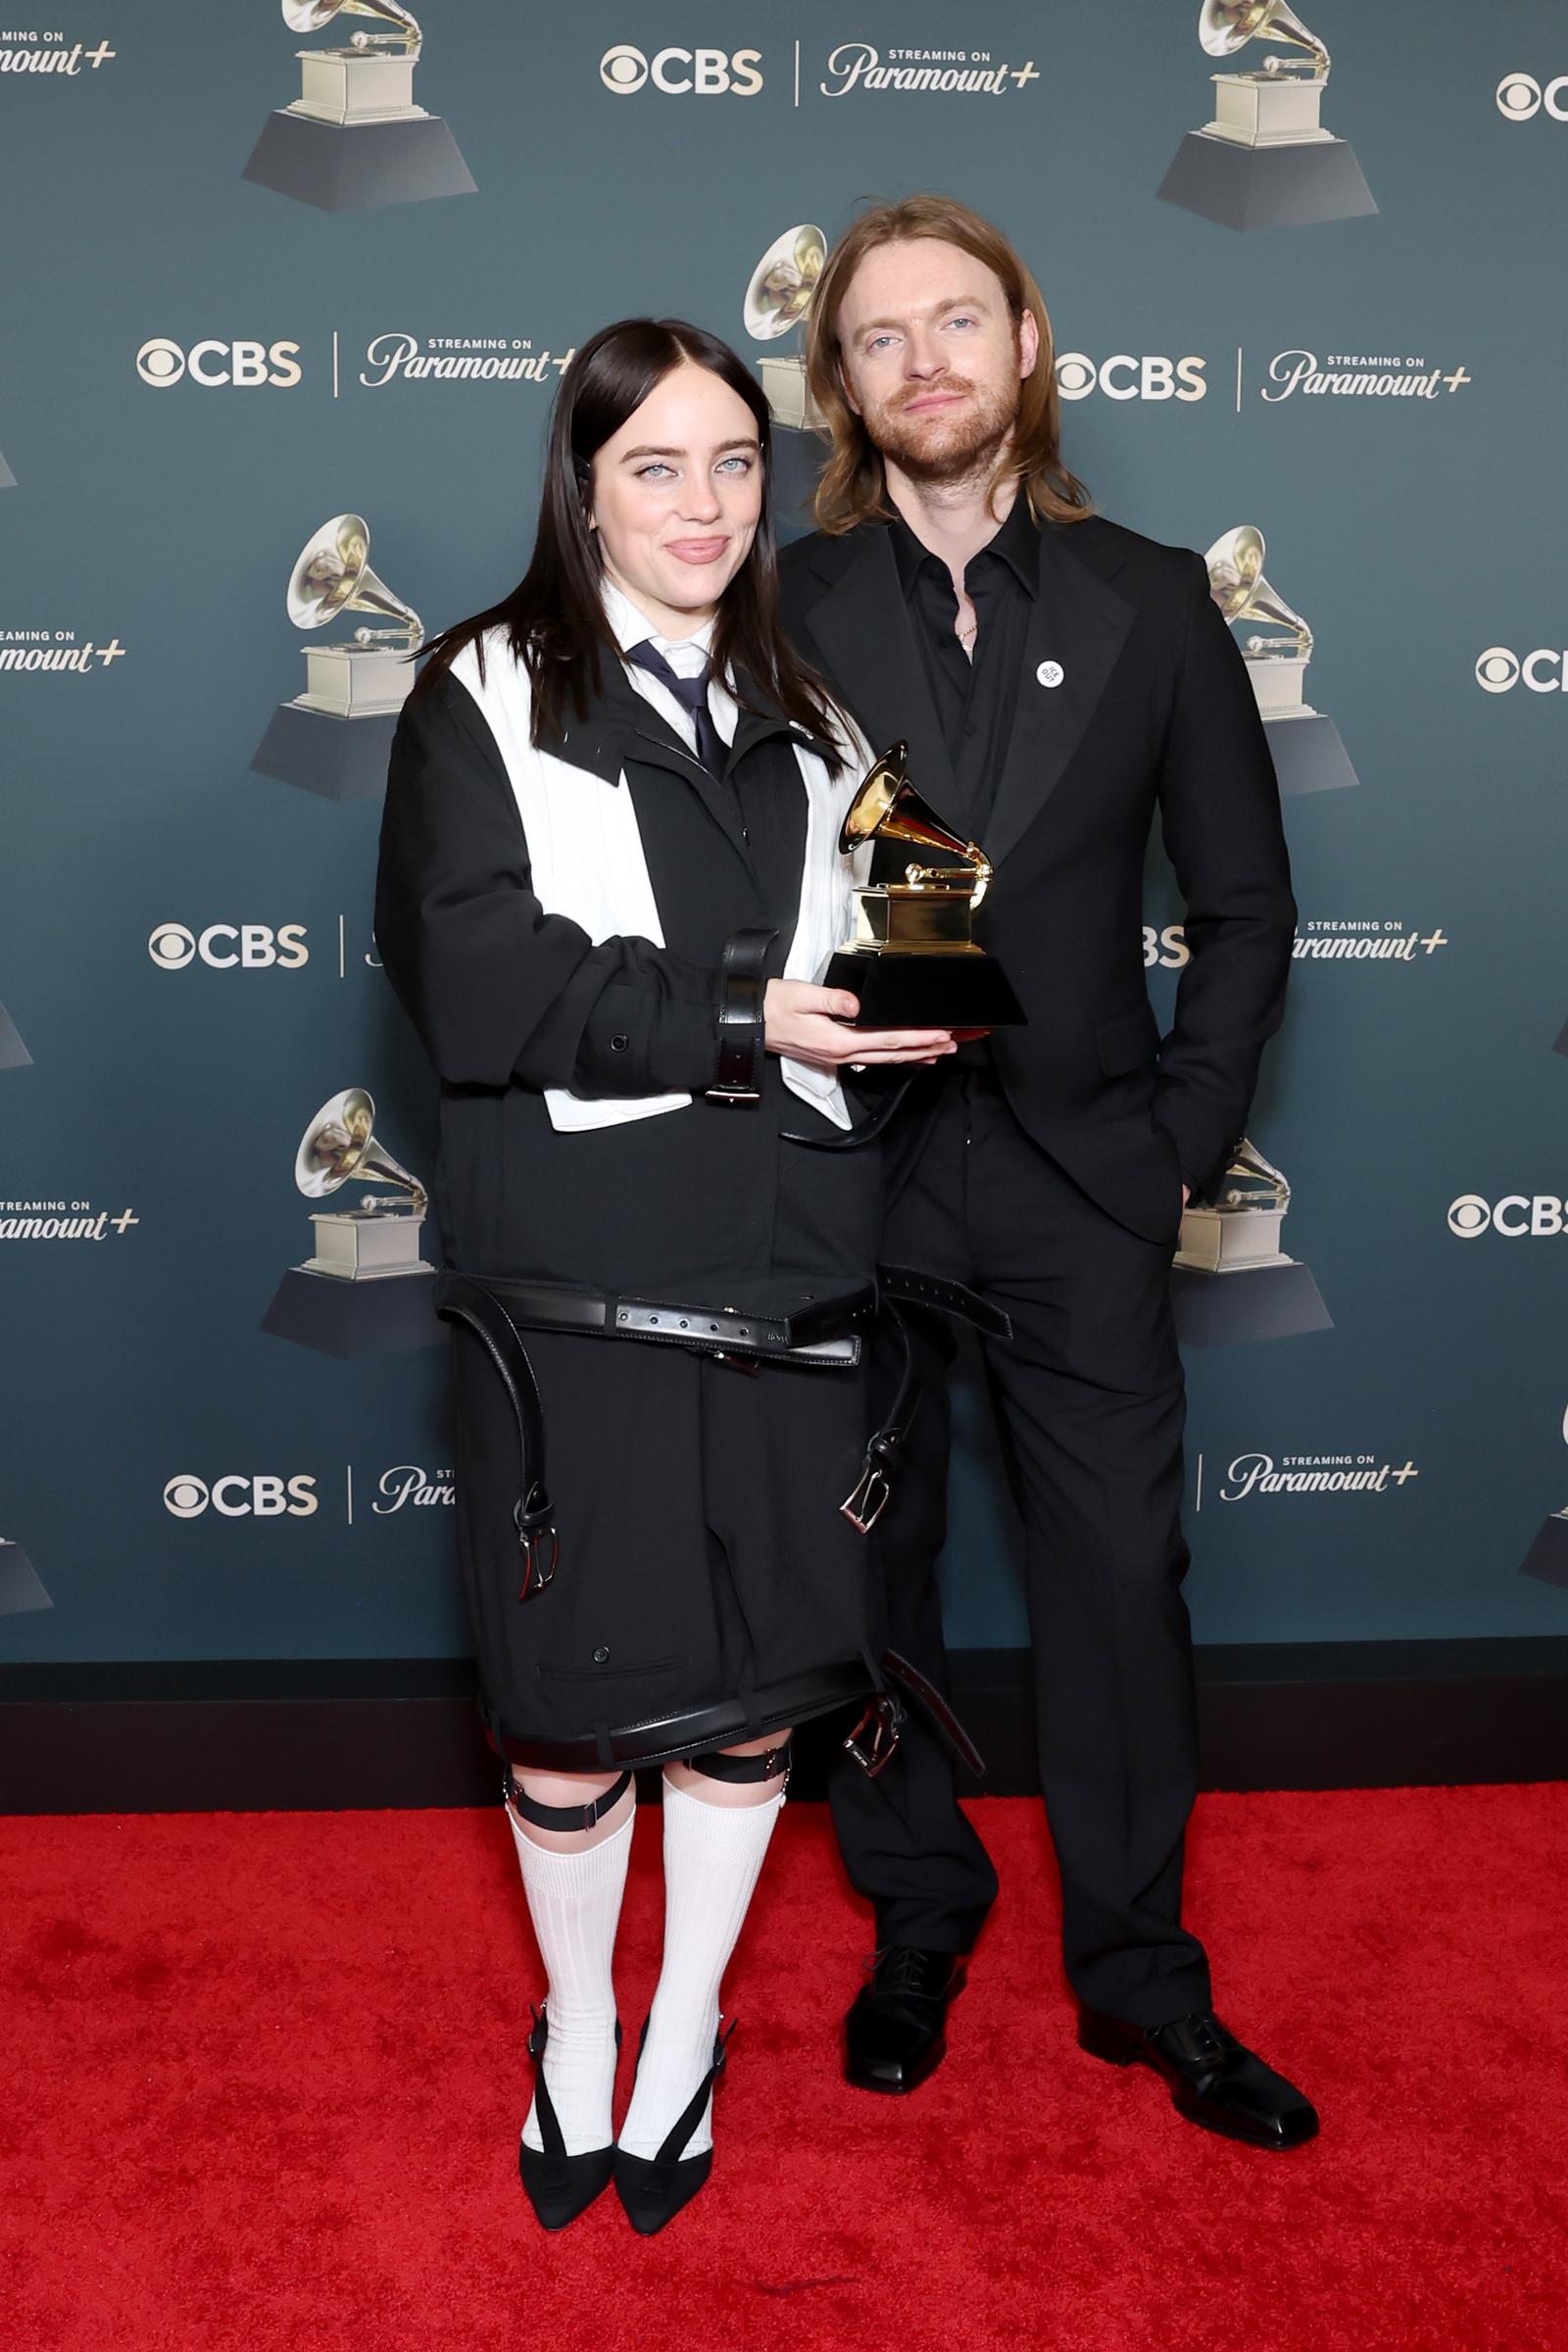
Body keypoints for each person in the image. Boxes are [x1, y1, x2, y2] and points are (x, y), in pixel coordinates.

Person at [374, 318, 961, 2233]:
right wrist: (742, 1009)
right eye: (655, 467)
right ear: (584, 482)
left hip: (798, 1286)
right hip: (583, 1291)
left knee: (749, 1704)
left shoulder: (824, 708)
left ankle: (685, 2026)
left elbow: (930, 948)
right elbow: (466, 975)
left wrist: (928, 999)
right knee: (570, 1712)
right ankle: (573, 2025)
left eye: (733, 464)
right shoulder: (475, 686)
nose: (702, 504)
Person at [778, 195, 1318, 2150]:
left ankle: (1138, 1983)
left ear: (1022, 346)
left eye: (955, 324)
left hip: (1086, 1178)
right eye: (874, 337)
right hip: (854, 1180)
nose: (920, 364)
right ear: (836, 385)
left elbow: (1244, 908)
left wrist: (1175, 1136)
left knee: (1115, 1583)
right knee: (872, 1575)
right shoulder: (781, 608)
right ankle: (915, 1922)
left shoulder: (1153, 599)